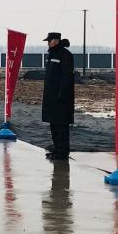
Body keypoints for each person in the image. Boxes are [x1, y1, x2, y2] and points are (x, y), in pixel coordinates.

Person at [41, 32, 75, 160]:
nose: (48, 43)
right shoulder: (51, 54)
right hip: (50, 96)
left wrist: (61, 94)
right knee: (53, 124)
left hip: (61, 98)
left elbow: (66, 77)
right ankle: (56, 149)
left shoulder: (65, 55)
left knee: (61, 126)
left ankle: (62, 152)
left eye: (49, 41)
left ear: (55, 41)